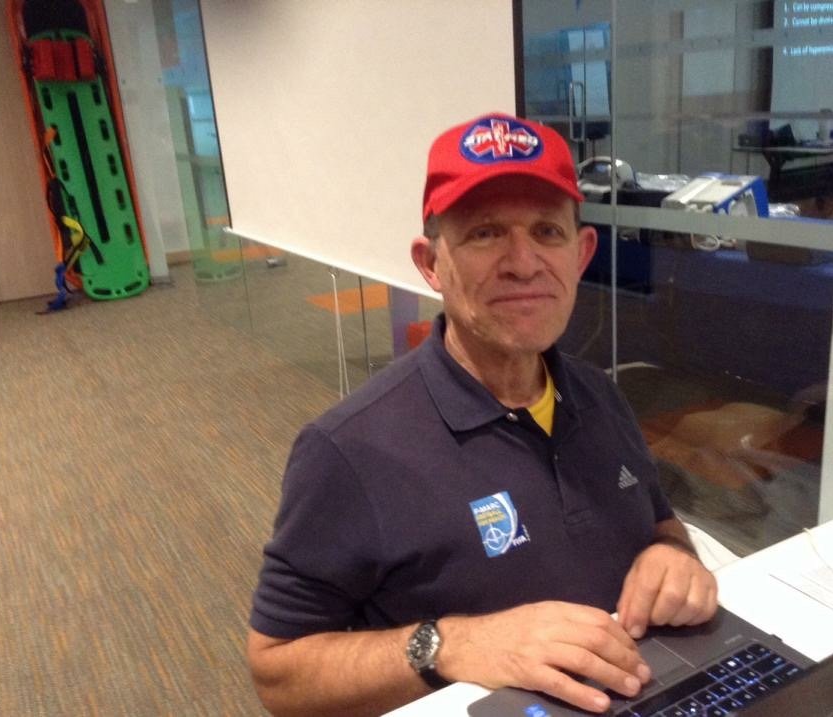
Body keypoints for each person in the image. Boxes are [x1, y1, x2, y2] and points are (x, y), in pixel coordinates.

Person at [246, 112, 718, 717]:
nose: (524, 262)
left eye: (547, 231)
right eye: (485, 233)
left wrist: (673, 556)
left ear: (581, 254)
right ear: (430, 263)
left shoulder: (601, 396)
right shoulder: (349, 449)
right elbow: (278, 671)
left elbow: (659, 523)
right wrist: (451, 644)